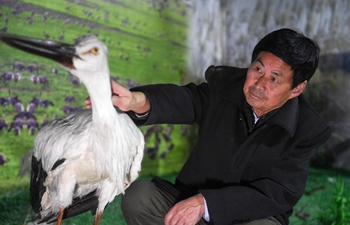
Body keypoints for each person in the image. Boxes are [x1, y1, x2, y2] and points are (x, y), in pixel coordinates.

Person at [85, 28, 331, 225]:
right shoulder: (226, 87)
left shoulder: (305, 130)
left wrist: (206, 203)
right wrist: (137, 100)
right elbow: (186, 100)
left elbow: (276, 193)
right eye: (258, 69)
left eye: (275, 78)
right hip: (188, 199)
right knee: (139, 197)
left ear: (296, 89)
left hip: (247, 217)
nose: (259, 83)